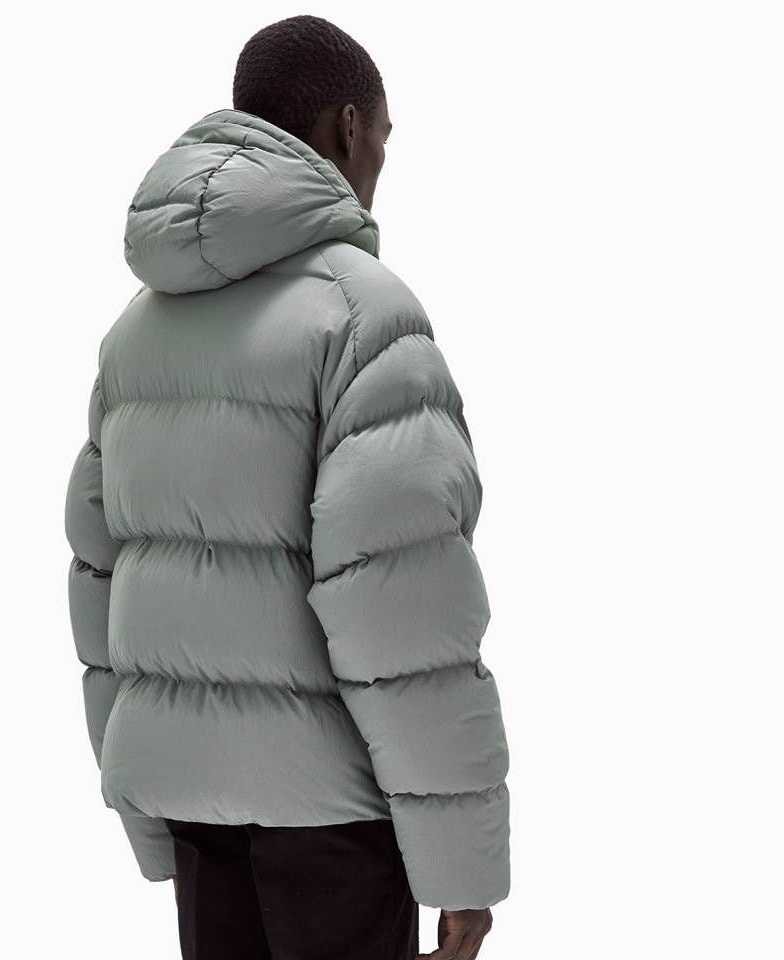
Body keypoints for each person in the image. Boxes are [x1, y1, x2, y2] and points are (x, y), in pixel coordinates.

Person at [64, 14, 510, 960]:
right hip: (334, 823)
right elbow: (405, 611)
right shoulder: (361, 315)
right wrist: (461, 867)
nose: (380, 163)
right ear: (348, 127)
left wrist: (147, 809)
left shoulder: (136, 331)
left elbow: (99, 577)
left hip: (192, 803)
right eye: (383, 137)